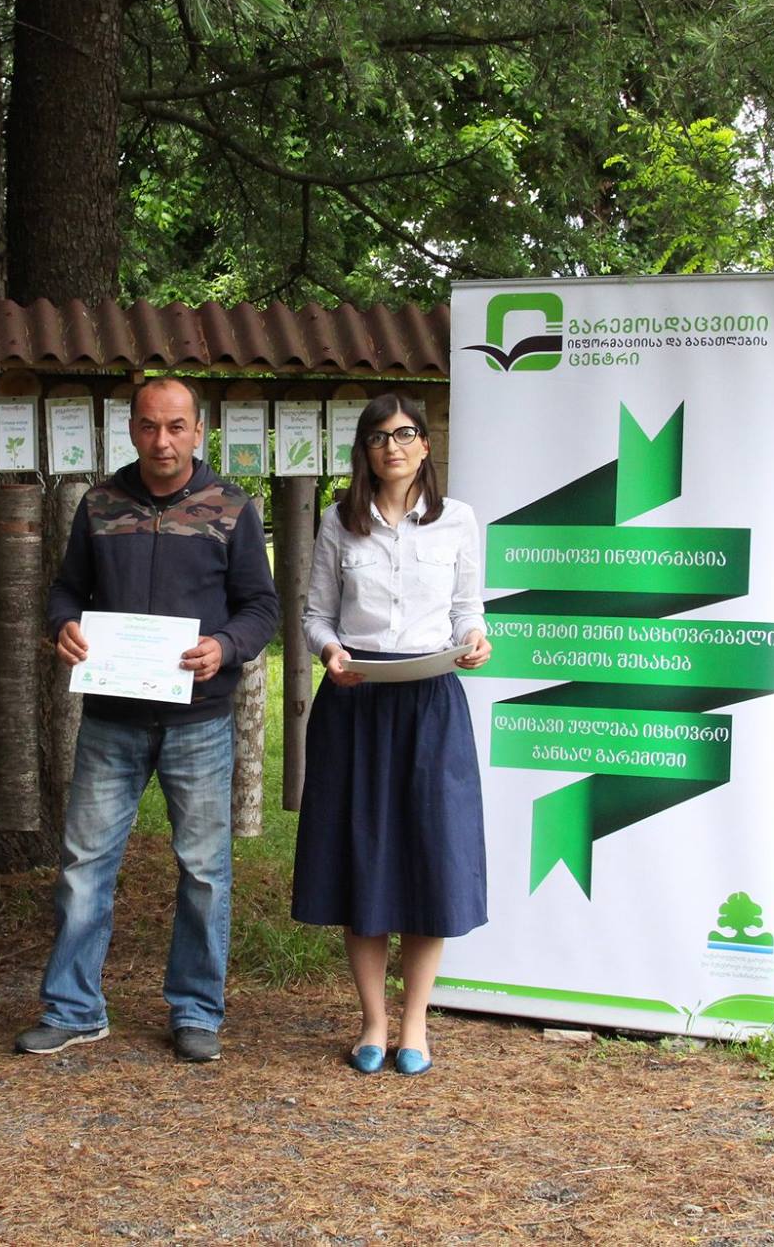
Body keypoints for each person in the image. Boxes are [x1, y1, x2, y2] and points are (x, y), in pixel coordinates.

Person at [15, 379, 280, 1064]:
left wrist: (226, 646)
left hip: (199, 720)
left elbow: (261, 607)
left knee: (205, 871)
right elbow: (67, 589)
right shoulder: (100, 504)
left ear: (199, 431)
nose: (162, 441)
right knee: (84, 866)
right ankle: (73, 1008)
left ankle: (196, 1010)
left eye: (176, 427)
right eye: (149, 426)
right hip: (112, 718)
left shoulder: (232, 508)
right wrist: (63, 624)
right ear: (131, 429)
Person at [291, 392, 491, 1076]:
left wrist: (475, 638)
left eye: (405, 435)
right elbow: (316, 616)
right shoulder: (338, 522)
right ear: (365, 451)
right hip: (358, 703)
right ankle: (373, 1021)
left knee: (432, 858)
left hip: (432, 703)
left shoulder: (457, 519)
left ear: (425, 445)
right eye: (379, 437)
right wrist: (330, 653)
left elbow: (467, 608)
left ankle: (415, 1026)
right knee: (364, 859)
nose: (393, 447)